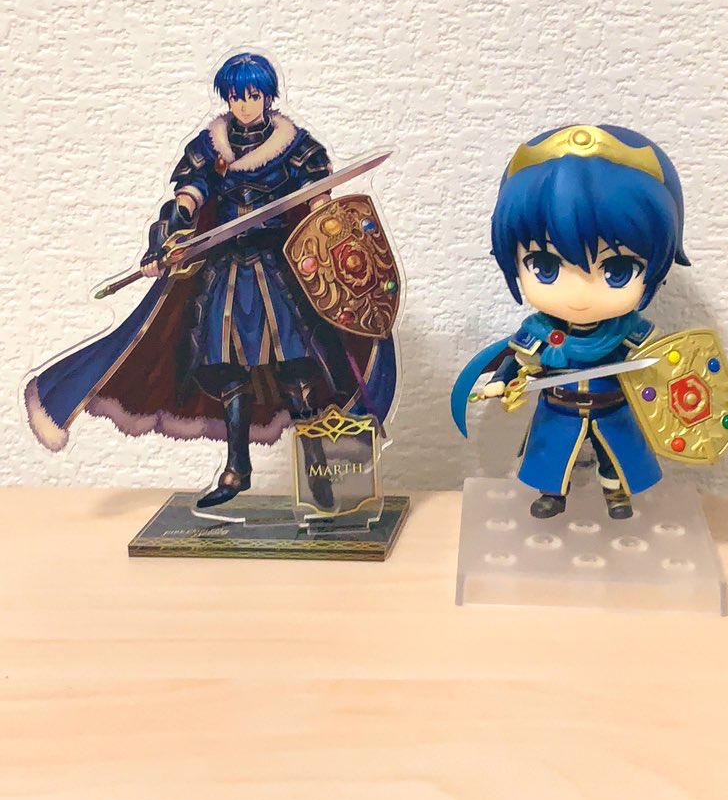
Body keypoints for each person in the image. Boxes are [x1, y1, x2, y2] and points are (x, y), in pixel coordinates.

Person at [26, 52, 397, 509]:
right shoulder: (210, 148)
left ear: (268, 96)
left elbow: (321, 206)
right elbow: (189, 196)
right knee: (225, 370)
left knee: (298, 372)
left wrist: (326, 222)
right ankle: (237, 470)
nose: (245, 105)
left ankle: (319, 473)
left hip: (278, 271)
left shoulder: (296, 147)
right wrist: (165, 241)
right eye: (237, 96)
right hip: (226, 272)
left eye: (253, 95)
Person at [451, 124, 689, 519]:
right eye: (545, 266)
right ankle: (552, 496)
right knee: (552, 456)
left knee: (617, 458)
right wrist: (501, 381)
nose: (579, 294)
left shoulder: (628, 332)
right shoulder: (541, 332)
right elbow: (518, 360)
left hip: (614, 409)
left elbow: (665, 363)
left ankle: (616, 496)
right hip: (558, 409)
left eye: (616, 270)